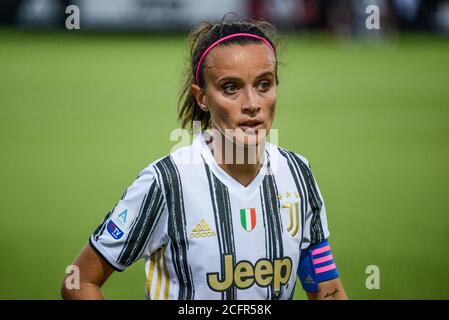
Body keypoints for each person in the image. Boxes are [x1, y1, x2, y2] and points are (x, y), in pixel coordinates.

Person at [61, 18, 347, 300]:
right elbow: (79, 281)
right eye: (230, 88)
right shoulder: (167, 183)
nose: (252, 103)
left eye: (264, 84)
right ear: (202, 98)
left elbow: (327, 291)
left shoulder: (298, 174)